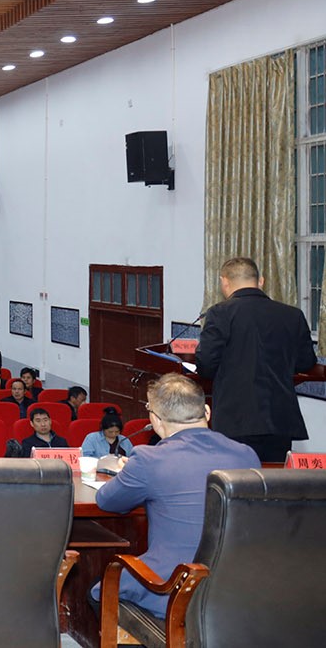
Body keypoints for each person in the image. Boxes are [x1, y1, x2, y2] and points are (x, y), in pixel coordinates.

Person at [89, 374, 260, 618]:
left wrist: (129, 473)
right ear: (207, 412)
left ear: (156, 420)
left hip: (172, 588)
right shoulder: (246, 455)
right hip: (234, 589)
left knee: (98, 591)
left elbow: (107, 501)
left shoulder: (149, 459)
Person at [195, 256, 317, 462]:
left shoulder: (220, 313)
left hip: (235, 418)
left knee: (237, 476)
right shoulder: (292, 315)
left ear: (224, 282)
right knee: (274, 477)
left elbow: (206, 365)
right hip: (279, 419)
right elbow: (306, 362)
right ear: (260, 281)